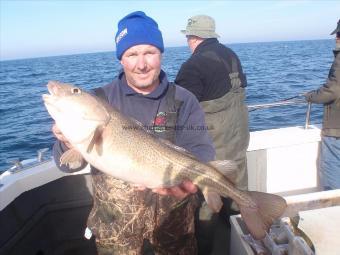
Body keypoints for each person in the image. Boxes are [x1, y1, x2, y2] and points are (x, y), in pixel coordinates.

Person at [52, 11, 215, 254]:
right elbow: (66, 165)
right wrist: (67, 142)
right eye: (132, 54)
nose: (141, 64)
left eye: (149, 52)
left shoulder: (183, 99)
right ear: (121, 59)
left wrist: (193, 182)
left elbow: (201, 150)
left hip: (174, 222)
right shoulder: (99, 100)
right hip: (116, 226)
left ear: (161, 53)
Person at [175, 15, 249, 254]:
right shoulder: (231, 56)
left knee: (206, 210)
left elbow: (177, 109)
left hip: (214, 152)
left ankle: (206, 250)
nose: (188, 41)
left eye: (188, 37)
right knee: (237, 205)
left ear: (193, 37)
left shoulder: (193, 65)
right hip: (237, 144)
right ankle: (240, 244)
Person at [304, 19, 340, 190]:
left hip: (336, 130)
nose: (336, 39)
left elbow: (332, 91)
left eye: (339, 34)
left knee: (331, 168)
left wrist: (311, 96)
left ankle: (333, 210)